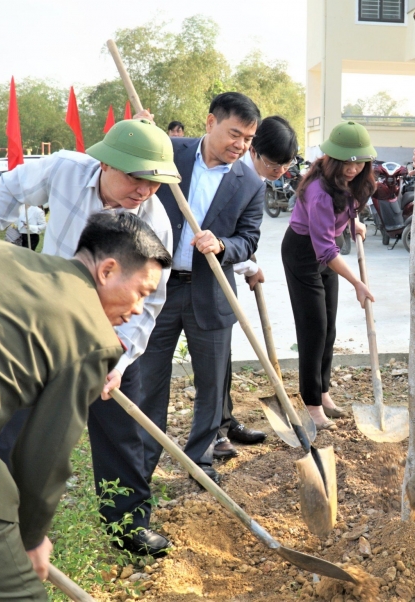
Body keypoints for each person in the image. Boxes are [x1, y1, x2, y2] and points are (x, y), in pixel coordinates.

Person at [0, 117, 178, 557]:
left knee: (120, 432)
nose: (144, 191)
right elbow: (12, 187)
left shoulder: (155, 225)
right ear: (106, 164)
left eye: (155, 183)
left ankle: (127, 524)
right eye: (136, 178)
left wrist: (118, 362)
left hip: (110, 328)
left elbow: (148, 306)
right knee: (13, 419)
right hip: (45, 316)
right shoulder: (65, 169)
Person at [0, 212, 171, 601]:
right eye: (142, 292)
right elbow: (45, 451)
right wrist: (30, 539)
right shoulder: (90, 336)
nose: (140, 309)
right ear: (107, 270)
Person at [139, 92, 265, 492]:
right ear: (210, 123)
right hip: (157, 288)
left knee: (211, 382)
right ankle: (143, 458)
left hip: (211, 293)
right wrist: (138, 131)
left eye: (248, 139)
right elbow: (119, 167)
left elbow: (249, 239)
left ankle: (200, 459)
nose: (240, 145)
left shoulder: (250, 183)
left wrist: (224, 245)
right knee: (147, 378)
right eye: (234, 134)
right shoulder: (168, 153)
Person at [211, 115, 301, 460]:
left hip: (227, 265)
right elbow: (219, 230)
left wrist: (248, 264)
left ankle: (226, 419)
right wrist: (248, 264)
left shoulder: (254, 177)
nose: (280, 170)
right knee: (215, 357)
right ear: (255, 150)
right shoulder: (236, 173)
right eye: (273, 162)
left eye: (286, 164)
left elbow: (243, 234)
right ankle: (216, 432)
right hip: (206, 271)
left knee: (224, 354)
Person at [283, 121, 376, 429]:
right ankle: (310, 405)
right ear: (333, 159)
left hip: (327, 250)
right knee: (314, 330)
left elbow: (348, 207)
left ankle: (322, 391)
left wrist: (352, 225)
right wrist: (358, 283)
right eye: (347, 162)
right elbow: (325, 251)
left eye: (359, 161)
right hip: (303, 254)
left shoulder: (354, 181)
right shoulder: (318, 191)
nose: (353, 168)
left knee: (329, 327)